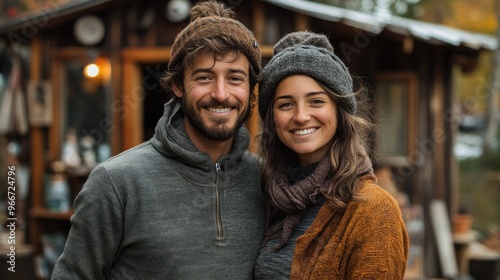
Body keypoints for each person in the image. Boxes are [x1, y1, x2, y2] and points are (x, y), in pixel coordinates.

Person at [52, 1, 266, 279]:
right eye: (204, 77)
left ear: (250, 88)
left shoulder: (266, 181)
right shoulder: (116, 183)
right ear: (178, 85)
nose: (221, 93)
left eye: (235, 78)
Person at [254, 31, 409, 279]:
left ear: (339, 110)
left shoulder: (372, 210)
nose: (301, 116)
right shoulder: (273, 198)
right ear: (273, 118)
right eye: (286, 104)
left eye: (316, 101)